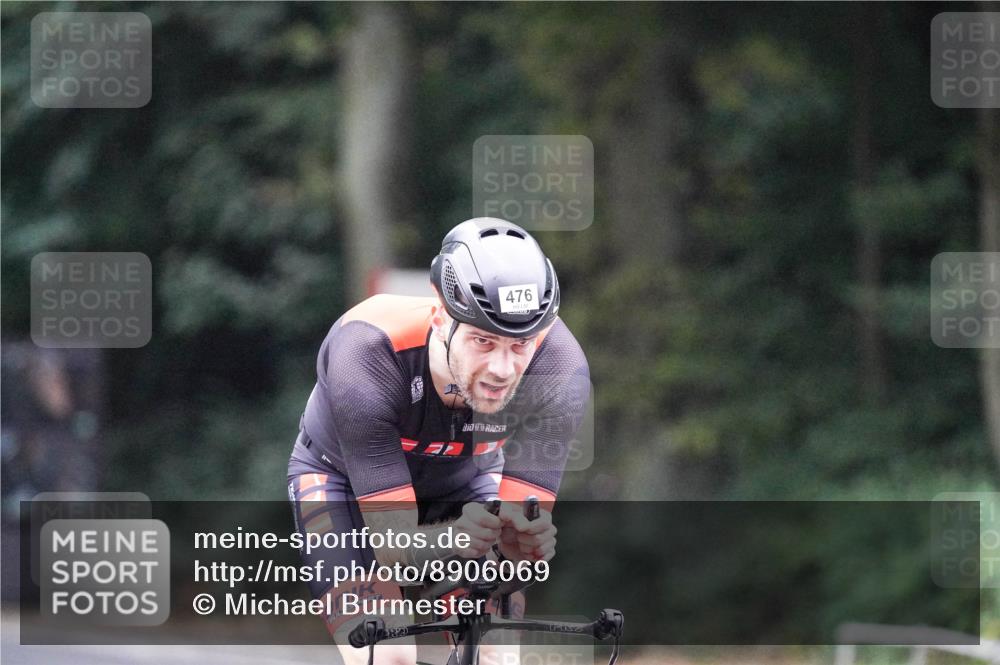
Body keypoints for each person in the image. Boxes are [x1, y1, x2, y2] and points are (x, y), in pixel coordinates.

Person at [287, 217, 590, 665]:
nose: (502, 369)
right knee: (385, 654)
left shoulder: (560, 370)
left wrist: (523, 542)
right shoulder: (367, 354)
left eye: (520, 345)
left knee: (495, 655)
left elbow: (515, 543)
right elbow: (393, 546)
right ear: (441, 317)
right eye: (484, 342)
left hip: (466, 484)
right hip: (342, 484)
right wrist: (455, 537)